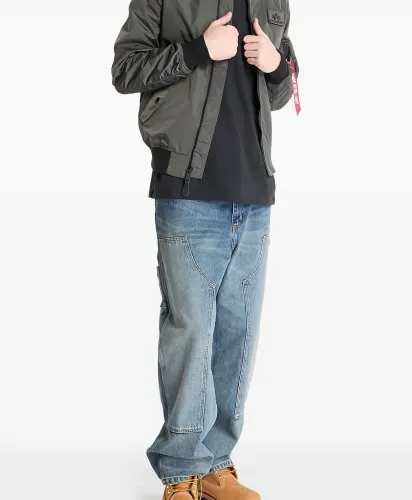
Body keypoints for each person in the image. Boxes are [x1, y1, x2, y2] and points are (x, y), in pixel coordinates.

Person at [112, 1, 298, 498]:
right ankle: (181, 471)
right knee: (191, 333)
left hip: (254, 194)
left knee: (238, 337)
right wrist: (197, 51)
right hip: (187, 189)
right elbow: (125, 70)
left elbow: (284, 90)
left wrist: (276, 65)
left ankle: (216, 464)